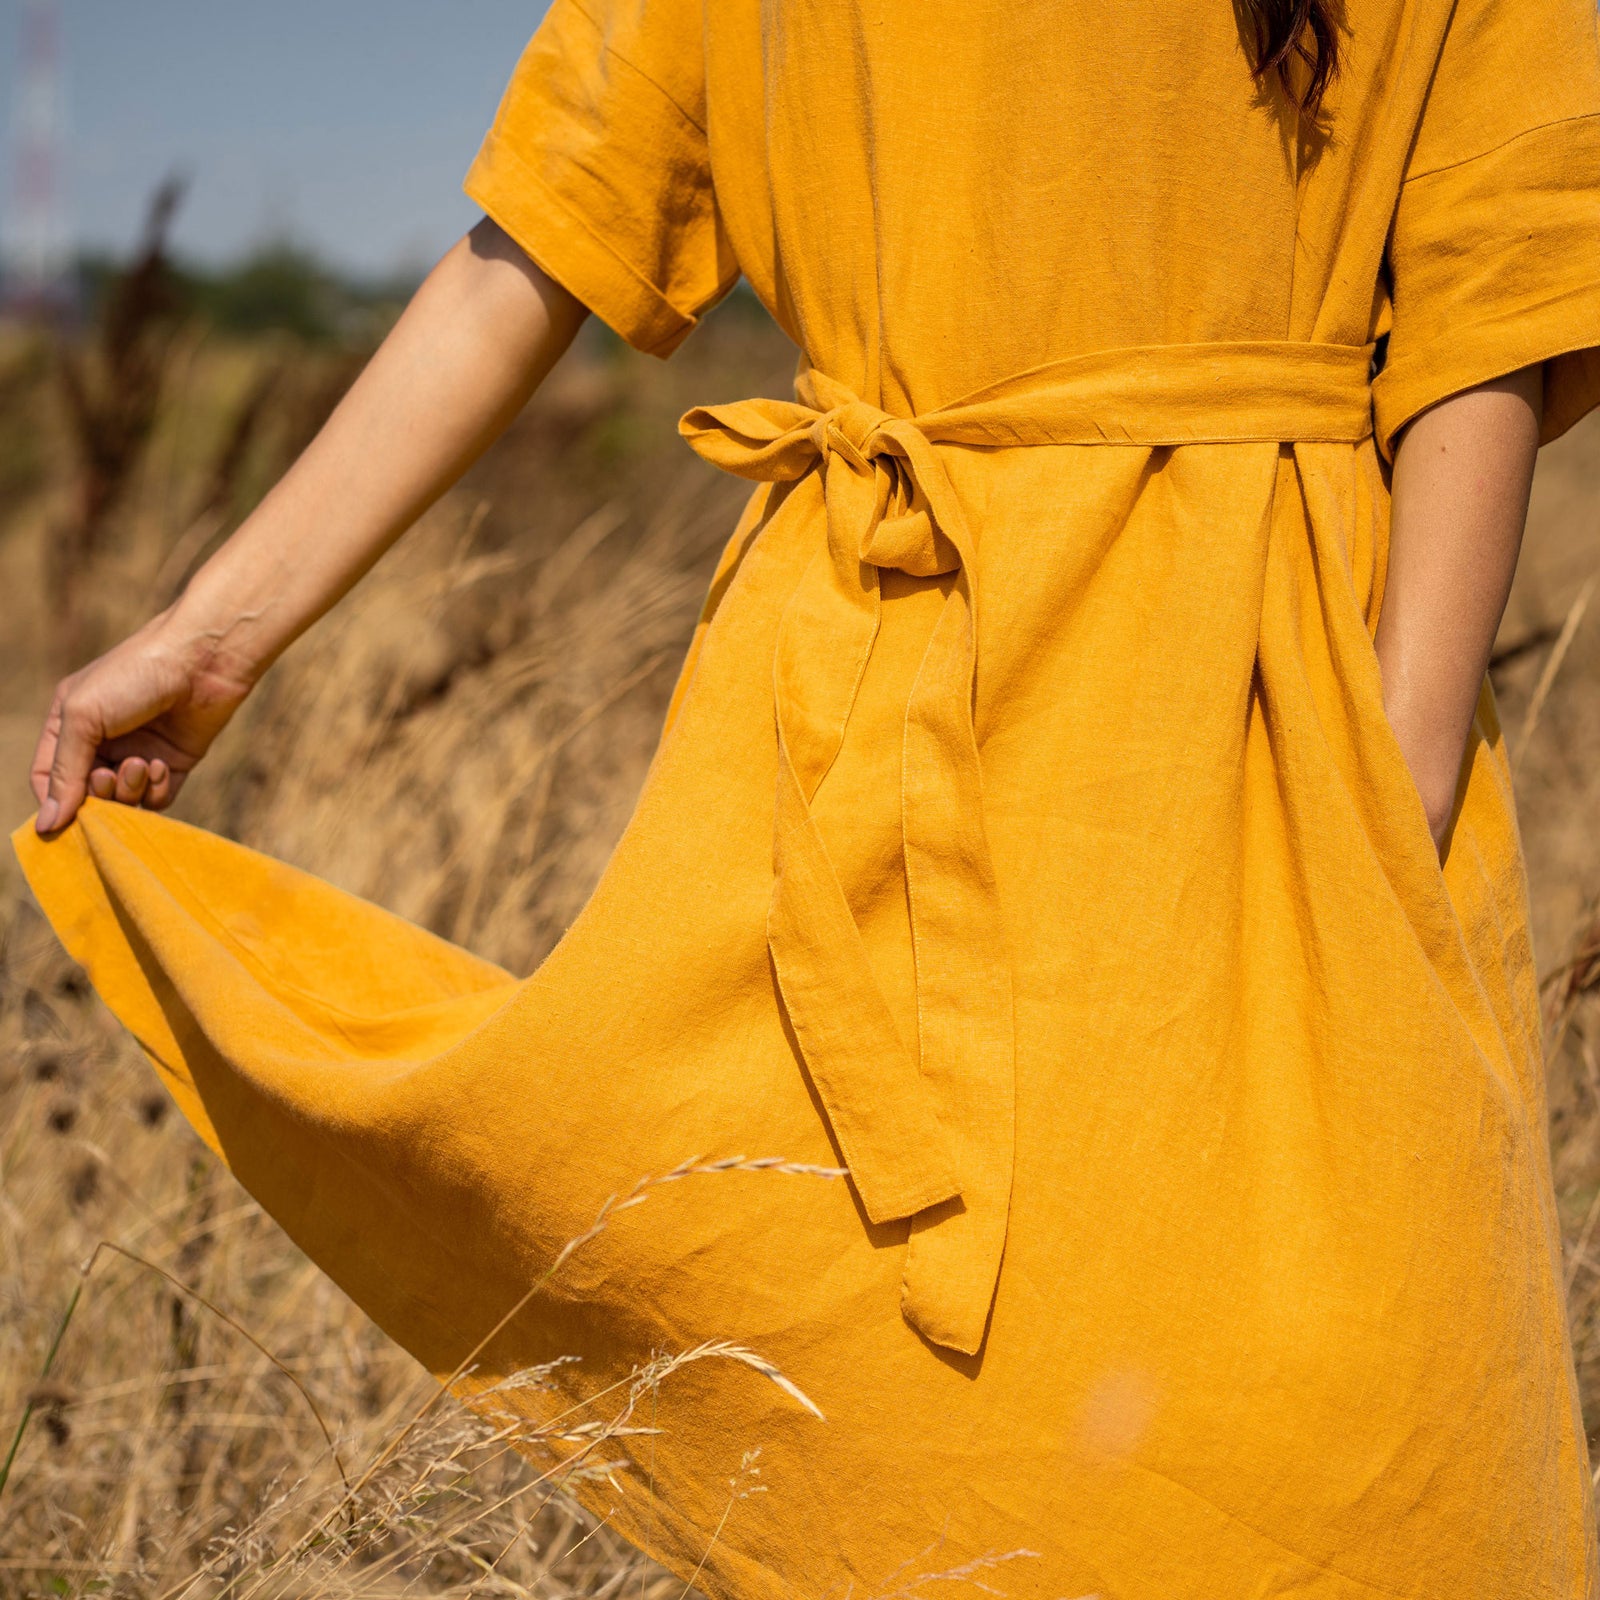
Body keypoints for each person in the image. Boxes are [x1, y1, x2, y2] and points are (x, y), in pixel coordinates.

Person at [15, 0, 1600, 1591]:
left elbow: (1488, 322)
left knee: (1330, 1471)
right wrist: (214, 639)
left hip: (1260, 740)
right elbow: (560, 230)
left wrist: (1371, 812)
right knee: (909, 1448)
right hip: (876, 739)